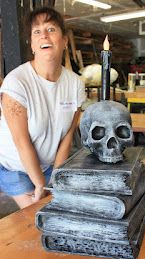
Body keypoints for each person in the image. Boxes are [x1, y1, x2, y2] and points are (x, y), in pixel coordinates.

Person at [0, 7, 85, 209]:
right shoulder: (16, 82)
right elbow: (21, 141)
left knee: (62, 210)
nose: (44, 35)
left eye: (51, 29)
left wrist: (56, 177)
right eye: (37, 31)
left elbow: (68, 136)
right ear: (32, 45)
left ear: (64, 41)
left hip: (49, 166)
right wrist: (40, 184)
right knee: (37, 217)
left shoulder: (75, 84)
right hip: (16, 167)